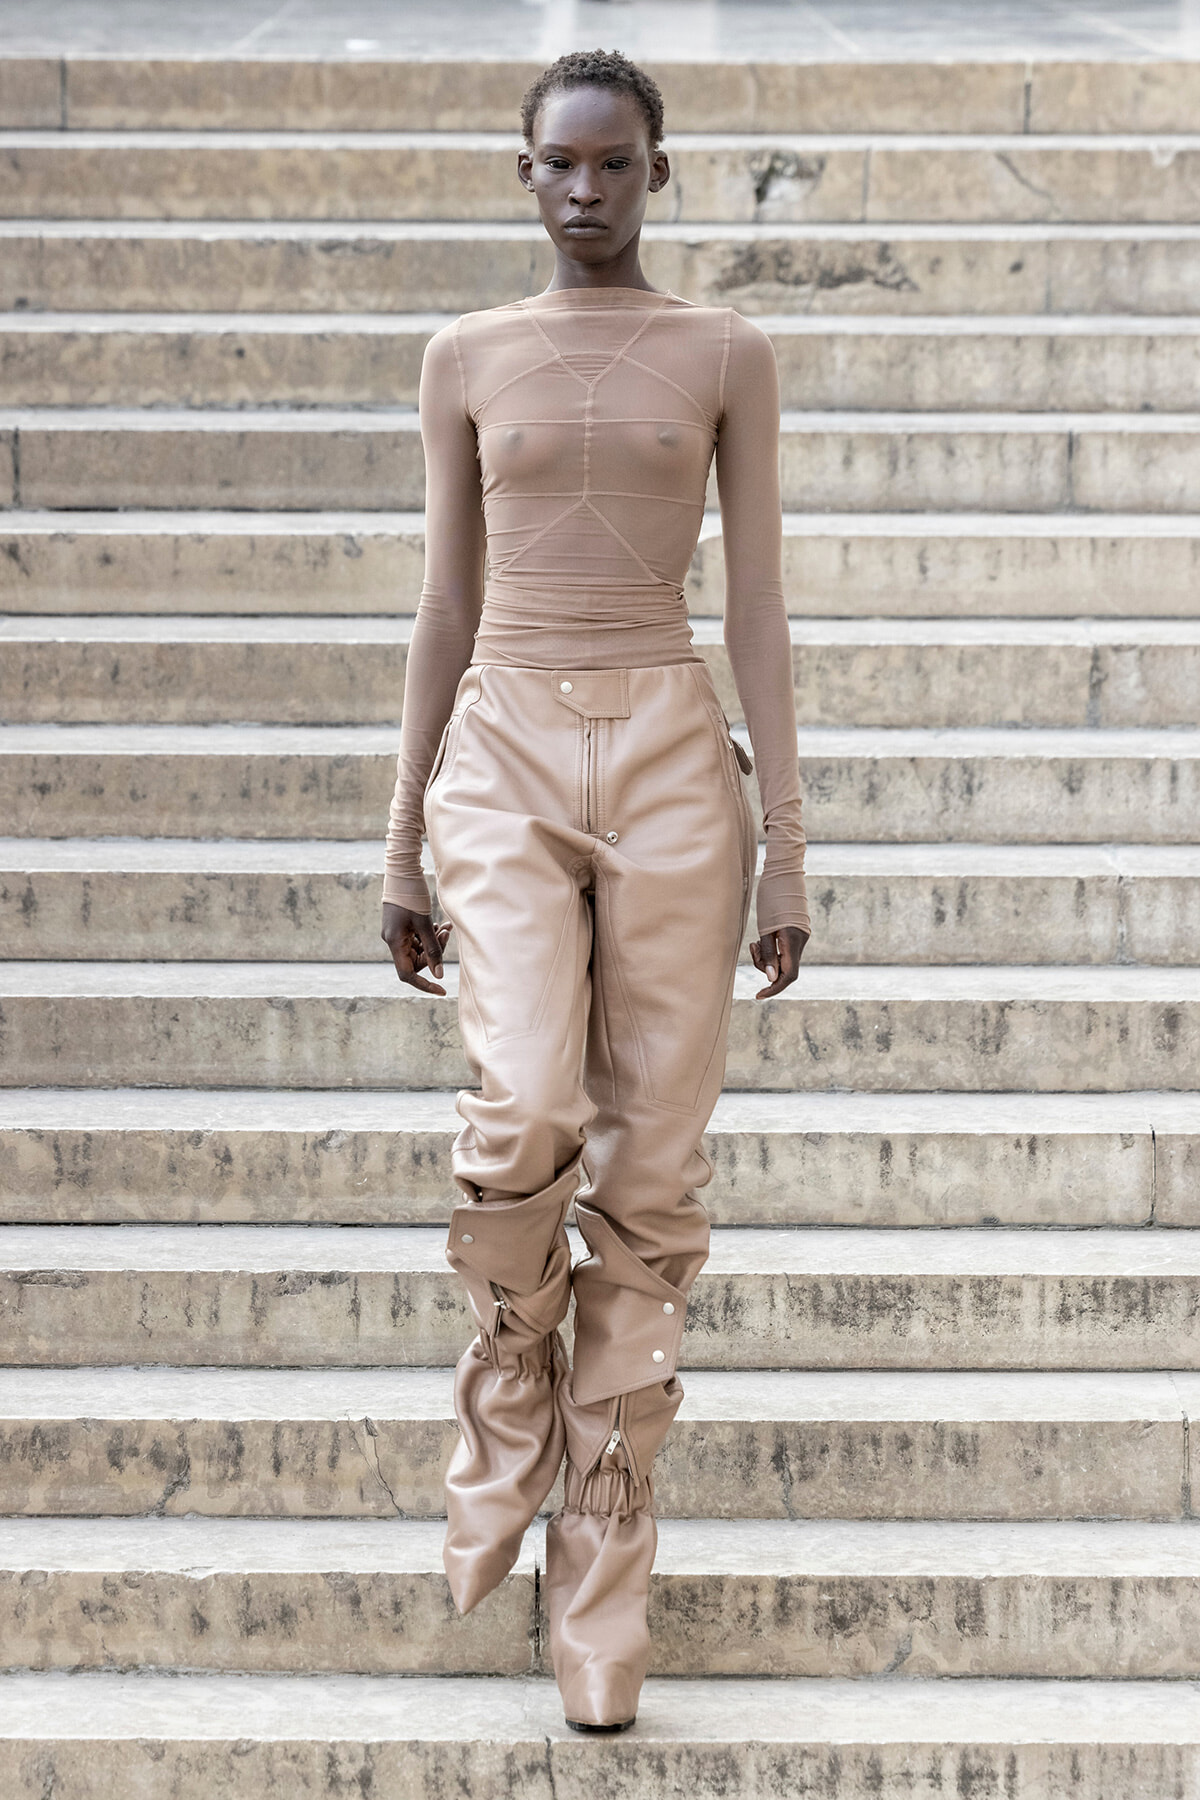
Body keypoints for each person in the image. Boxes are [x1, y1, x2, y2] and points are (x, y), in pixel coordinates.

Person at [381, 47, 810, 1732]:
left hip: (666, 744)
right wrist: (397, 836)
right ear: (524, 171)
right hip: (502, 740)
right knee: (526, 1098)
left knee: (656, 1155)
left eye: (616, 164)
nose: (586, 189)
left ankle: (603, 1553)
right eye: (560, 163)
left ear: (653, 171)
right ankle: (508, 1382)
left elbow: (761, 598)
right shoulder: (466, 355)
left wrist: (791, 836)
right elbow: (439, 598)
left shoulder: (723, 352)